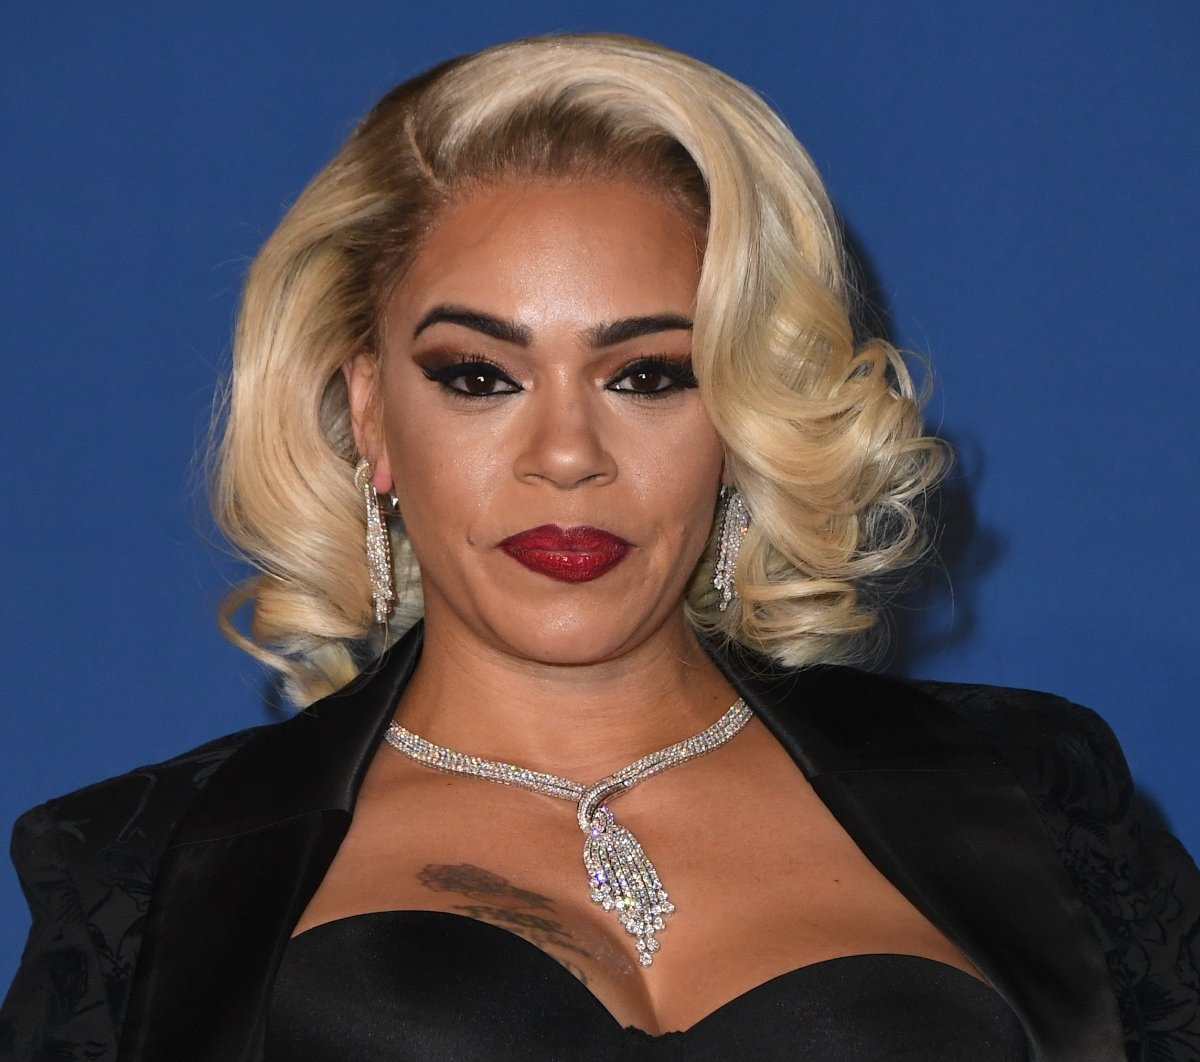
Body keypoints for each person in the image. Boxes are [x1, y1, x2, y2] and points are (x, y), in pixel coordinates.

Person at [2, 32, 1197, 1062]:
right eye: (480, 376)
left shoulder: (1038, 795)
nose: (567, 455)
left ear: (742, 412)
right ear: (370, 413)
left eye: (649, 375)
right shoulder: (146, 875)